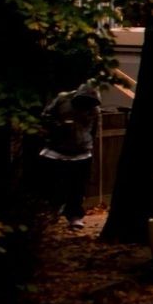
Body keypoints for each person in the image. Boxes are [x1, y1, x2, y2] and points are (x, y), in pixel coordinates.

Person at [40, 84, 100, 230]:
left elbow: (94, 129)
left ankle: (74, 216)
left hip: (81, 152)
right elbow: (45, 117)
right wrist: (57, 127)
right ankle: (52, 210)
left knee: (78, 187)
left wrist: (87, 144)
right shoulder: (62, 100)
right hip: (57, 150)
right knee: (54, 184)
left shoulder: (94, 110)